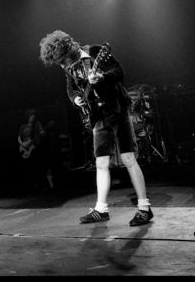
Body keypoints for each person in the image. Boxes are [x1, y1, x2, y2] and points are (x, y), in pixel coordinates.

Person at [39, 30, 153, 226]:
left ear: (69, 50)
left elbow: (119, 72)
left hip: (117, 110)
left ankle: (144, 208)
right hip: (97, 116)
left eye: (63, 60)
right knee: (100, 163)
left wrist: (102, 77)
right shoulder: (69, 67)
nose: (62, 65)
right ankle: (101, 209)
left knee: (128, 158)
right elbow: (71, 88)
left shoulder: (96, 52)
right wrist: (75, 98)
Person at [17, 109, 48, 191]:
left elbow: (42, 132)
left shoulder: (37, 124)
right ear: (28, 116)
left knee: (38, 166)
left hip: (35, 147)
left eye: (34, 115)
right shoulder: (23, 126)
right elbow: (19, 137)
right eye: (31, 115)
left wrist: (42, 133)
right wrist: (22, 144)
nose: (33, 117)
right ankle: (31, 185)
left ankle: (42, 185)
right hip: (24, 148)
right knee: (28, 167)